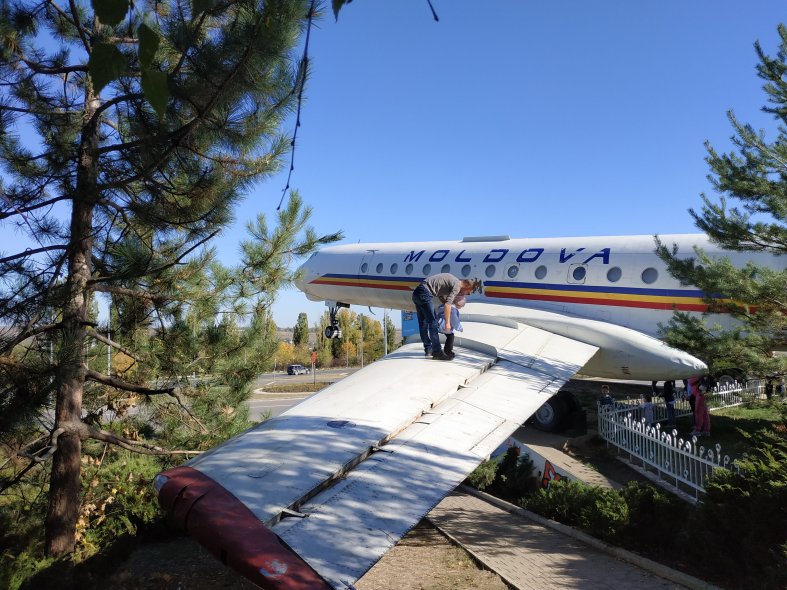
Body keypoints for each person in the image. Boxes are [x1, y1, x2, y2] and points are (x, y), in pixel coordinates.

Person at [411, 274, 479, 361]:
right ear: (467, 286)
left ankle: (428, 349)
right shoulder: (457, 286)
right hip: (425, 293)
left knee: (423, 323)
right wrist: (447, 323)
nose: (467, 294)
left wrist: (444, 301)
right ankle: (437, 352)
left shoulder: (452, 280)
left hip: (417, 293)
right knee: (433, 323)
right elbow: (448, 305)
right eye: (469, 292)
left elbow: (439, 292)